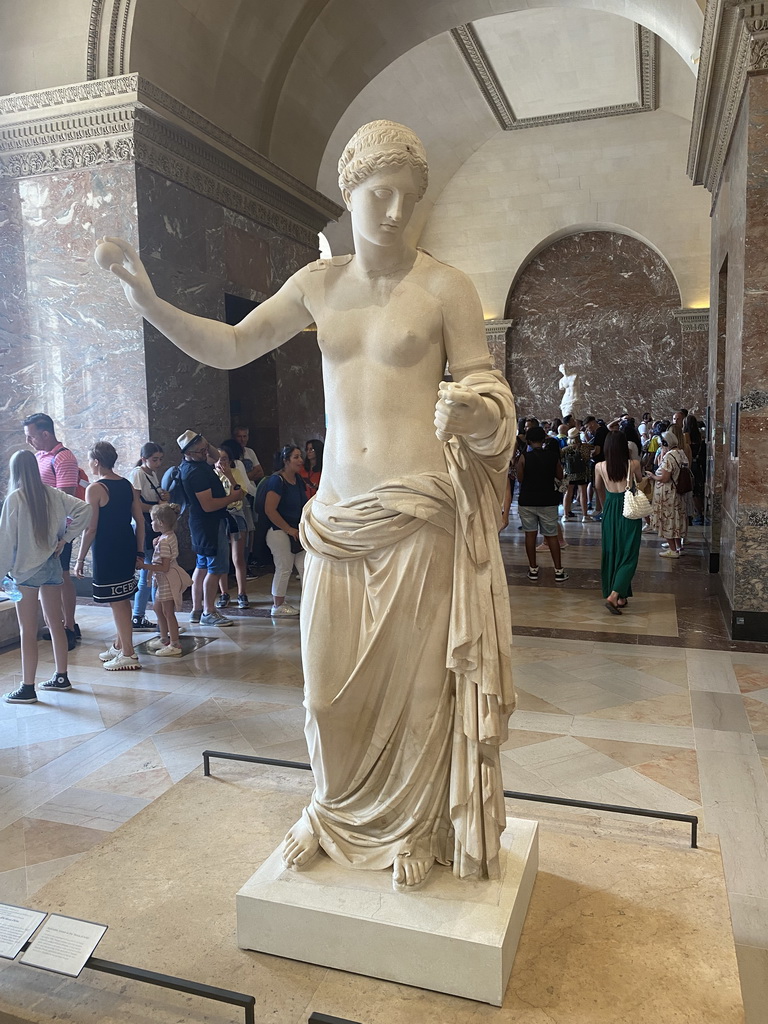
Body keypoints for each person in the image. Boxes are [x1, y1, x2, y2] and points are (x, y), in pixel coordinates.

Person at [101, 120, 516, 893]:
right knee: (327, 693)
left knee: (423, 691)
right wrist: (148, 301)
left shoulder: (445, 286)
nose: (394, 211)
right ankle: (331, 809)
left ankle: (415, 826)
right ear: (350, 195)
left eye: (408, 199)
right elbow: (229, 346)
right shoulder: (317, 285)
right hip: (336, 521)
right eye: (378, 194)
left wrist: (474, 415)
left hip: (420, 516)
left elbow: (490, 394)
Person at [1, 450, 92, 703]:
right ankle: (61, 677)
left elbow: (6, 542)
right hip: (51, 566)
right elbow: (85, 509)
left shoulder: (15, 499)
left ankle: (27, 687)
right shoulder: (53, 494)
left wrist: (0, 574)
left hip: (24, 573)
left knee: (27, 630)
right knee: (56, 623)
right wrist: (65, 539)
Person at [75, 441, 145, 670]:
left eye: (89, 460)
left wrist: (79, 558)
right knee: (121, 597)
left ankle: (128, 653)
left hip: (107, 549)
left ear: (96, 462)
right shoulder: (127, 485)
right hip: (126, 544)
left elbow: (91, 528)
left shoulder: (94, 489)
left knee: (117, 601)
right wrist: (140, 550)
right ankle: (119, 644)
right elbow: (140, 520)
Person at [22, 412, 83, 649]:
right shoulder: (39, 456)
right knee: (53, 577)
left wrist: (60, 533)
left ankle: (68, 626)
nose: (29, 441)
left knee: (62, 575)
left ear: (45, 433)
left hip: (58, 529)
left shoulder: (63, 457)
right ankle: (59, 623)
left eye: (31, 436)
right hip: (42, 528)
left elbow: (66, 497)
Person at [176, 430, 239, 627]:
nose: (206, 454)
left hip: (201, 523)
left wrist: (204, 442)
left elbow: (217, 456)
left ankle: (196, 610)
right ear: (188, 453)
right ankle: (209, 611)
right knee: (215, 568)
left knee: (202, 565)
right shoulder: (195, 472)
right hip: (209, 524)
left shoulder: (193, 463)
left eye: (205, 448)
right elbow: (208, 504)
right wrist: (233, 498)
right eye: (201, 451)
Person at [594, 432, 643, 615]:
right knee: (629, 554)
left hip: (610, 510)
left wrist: (606, 506)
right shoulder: (633, 464)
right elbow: (639, 481)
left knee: (612, 552)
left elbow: (599, 488)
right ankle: (614, 595)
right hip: (629, 510)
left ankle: (621, 596)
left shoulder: (599, 466)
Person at [516, 426, 568, 583]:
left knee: (530, 535)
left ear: (529, 441)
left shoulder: (524, 457)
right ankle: (558, 570)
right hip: (548, 500)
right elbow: (559, 475)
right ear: (544, 439)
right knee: (551, 535)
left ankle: (533, 570)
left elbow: (520, 478)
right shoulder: (553, 456)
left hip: (527, 500)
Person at [263, 445, 308, 617]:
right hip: (279, 532)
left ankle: (309, 601)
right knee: (284, 568)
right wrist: (288, 529)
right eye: (296, 457)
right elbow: (270, 510)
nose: (300, 460)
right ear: (286, 460)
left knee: (305, 567)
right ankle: (278, 605)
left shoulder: (298, 480)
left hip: (295, 532)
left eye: (300, 456)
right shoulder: (277, 481)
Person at [142, 502, 191, 656]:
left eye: (153, 520)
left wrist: (144, 566)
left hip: (167, 579)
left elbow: (164, 567)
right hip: (164, 580)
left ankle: (174, 643)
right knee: (158, 608)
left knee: (168, 612)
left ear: (161, 523)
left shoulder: (164, 541)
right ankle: (164, 638)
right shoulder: (167, 536)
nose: (151, 523)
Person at [128, 441, 167, 630]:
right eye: (154, 459)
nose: (158, 463)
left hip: (152, 519)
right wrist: (155, 507)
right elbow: (134, 502)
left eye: (160, 459)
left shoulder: (152, 473)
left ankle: (141, 614)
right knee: (147, 571)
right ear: (144, 459)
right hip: (144, 522)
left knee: (150, 572)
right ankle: (139, 615)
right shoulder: (138, 474)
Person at [215, 438, 253, 610]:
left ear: (230, 461)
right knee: (222, 557)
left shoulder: (236, 473)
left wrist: (228, 475)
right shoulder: (211, 476)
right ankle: (223, 593)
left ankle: (242, 593)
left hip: (236, 513)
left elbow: (239, 493)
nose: (221, 462)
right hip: (220, 515)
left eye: (224, 459)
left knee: (238, 558)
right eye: (218, 459)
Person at [647, 430, 689, 557]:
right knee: (676, 519)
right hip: (678, 492)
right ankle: (678, 545)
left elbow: (664, 477)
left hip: (667, 493)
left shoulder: (669, 456)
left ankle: (672, 549)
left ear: (665, 443)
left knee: (667, 519)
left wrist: (653, 476)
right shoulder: (681, 453)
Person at [561, 426, 594, 521]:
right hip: (582, 473)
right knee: (583, 493)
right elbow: (587, 458)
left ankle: (565, 515)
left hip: (568, 473)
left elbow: (561, 460)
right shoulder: (584, 447)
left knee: (568, 494)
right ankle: (585, 515)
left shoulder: (565, 449)